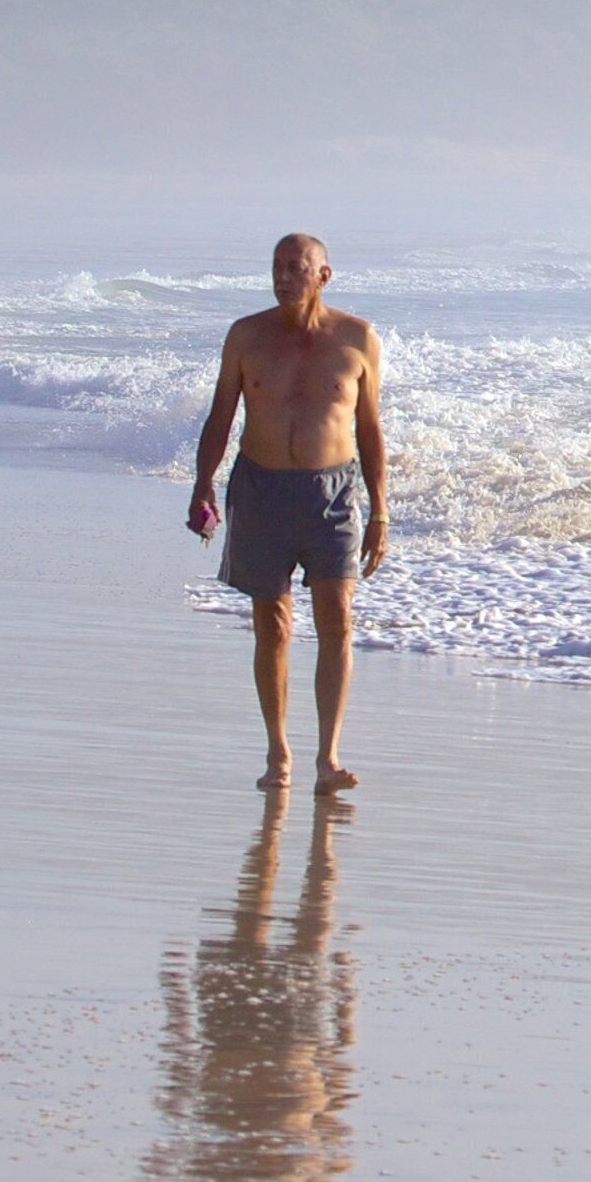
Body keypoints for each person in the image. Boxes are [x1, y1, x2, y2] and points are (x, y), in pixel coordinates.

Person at [186, 233, 389, 792]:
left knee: (337, 618)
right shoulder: (247, 336)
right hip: (262, 488)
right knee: (272, 625)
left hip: (334, 493)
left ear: (323, 275)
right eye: (277, 267)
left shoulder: (358, 338)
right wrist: (203, 485)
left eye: (296, 268)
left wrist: (381, 512)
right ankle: (278, 754)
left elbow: (370, 430)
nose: (283, 278)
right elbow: (220, 414)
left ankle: (328, 757)